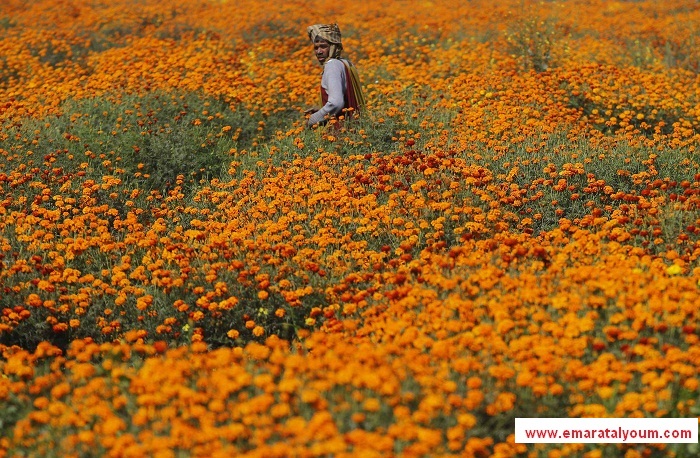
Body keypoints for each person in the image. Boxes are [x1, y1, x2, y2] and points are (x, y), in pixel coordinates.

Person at [305, 24, 365, 128]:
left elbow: (336, 103)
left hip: (340, 131)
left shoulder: (332, 66)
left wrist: (314, 118)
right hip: (354, 128)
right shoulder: (345, 63)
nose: (319, 52)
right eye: (316, 47)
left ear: (333, 46)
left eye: (323, 46)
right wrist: (322, 110)